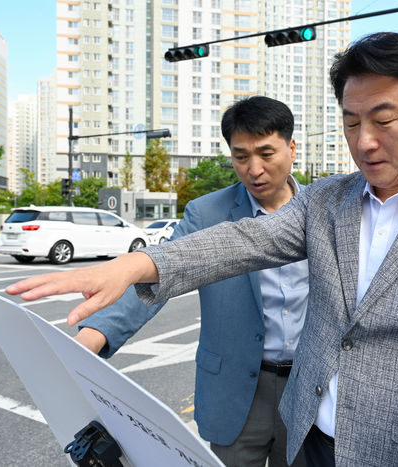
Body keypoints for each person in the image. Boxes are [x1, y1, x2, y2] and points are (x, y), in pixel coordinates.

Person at [7, 32, 398, 466]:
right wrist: (135, 264)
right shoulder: (329, 199)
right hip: (308, 435)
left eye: (384, 120)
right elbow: (244, 240)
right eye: (350, 121)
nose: (364, 141)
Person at [76, 95, 308, 467]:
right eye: (241, 156)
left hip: (306, 386)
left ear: (292, 148)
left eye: (266, 153)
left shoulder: (321, 209)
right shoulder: (208, 212)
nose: (254, 169)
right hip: (236, 389)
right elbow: (161, 271)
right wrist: (94, 336)